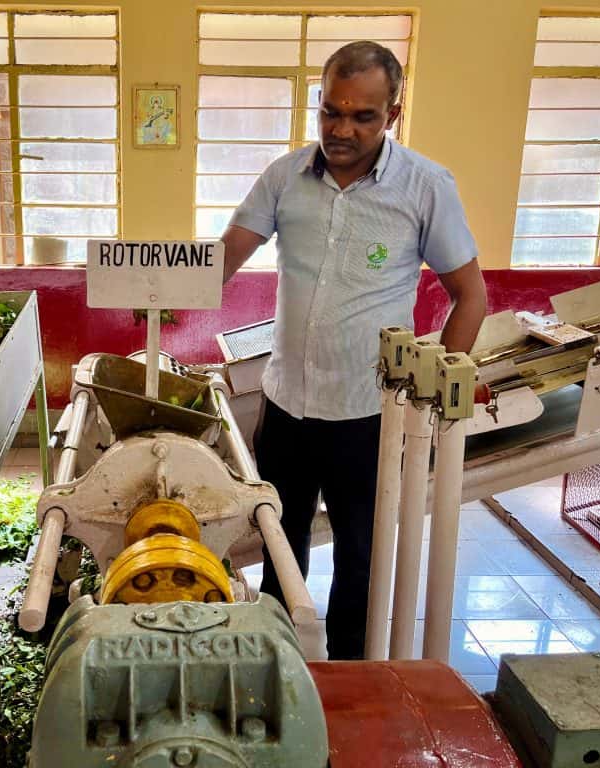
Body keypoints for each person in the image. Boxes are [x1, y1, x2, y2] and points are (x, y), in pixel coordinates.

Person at [221, 41, 487, 659]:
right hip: (286, 405)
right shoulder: (285, 177)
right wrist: (148, 282)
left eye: (362, 116)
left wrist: (433, 389)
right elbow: (220, 262)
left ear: (392, 114)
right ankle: (278, 663)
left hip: (369, 414)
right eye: (330, 112)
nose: (341, 129)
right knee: (279, 547)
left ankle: (351, 681)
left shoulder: (425, 187)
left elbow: (470, 296)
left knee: (361, 558)